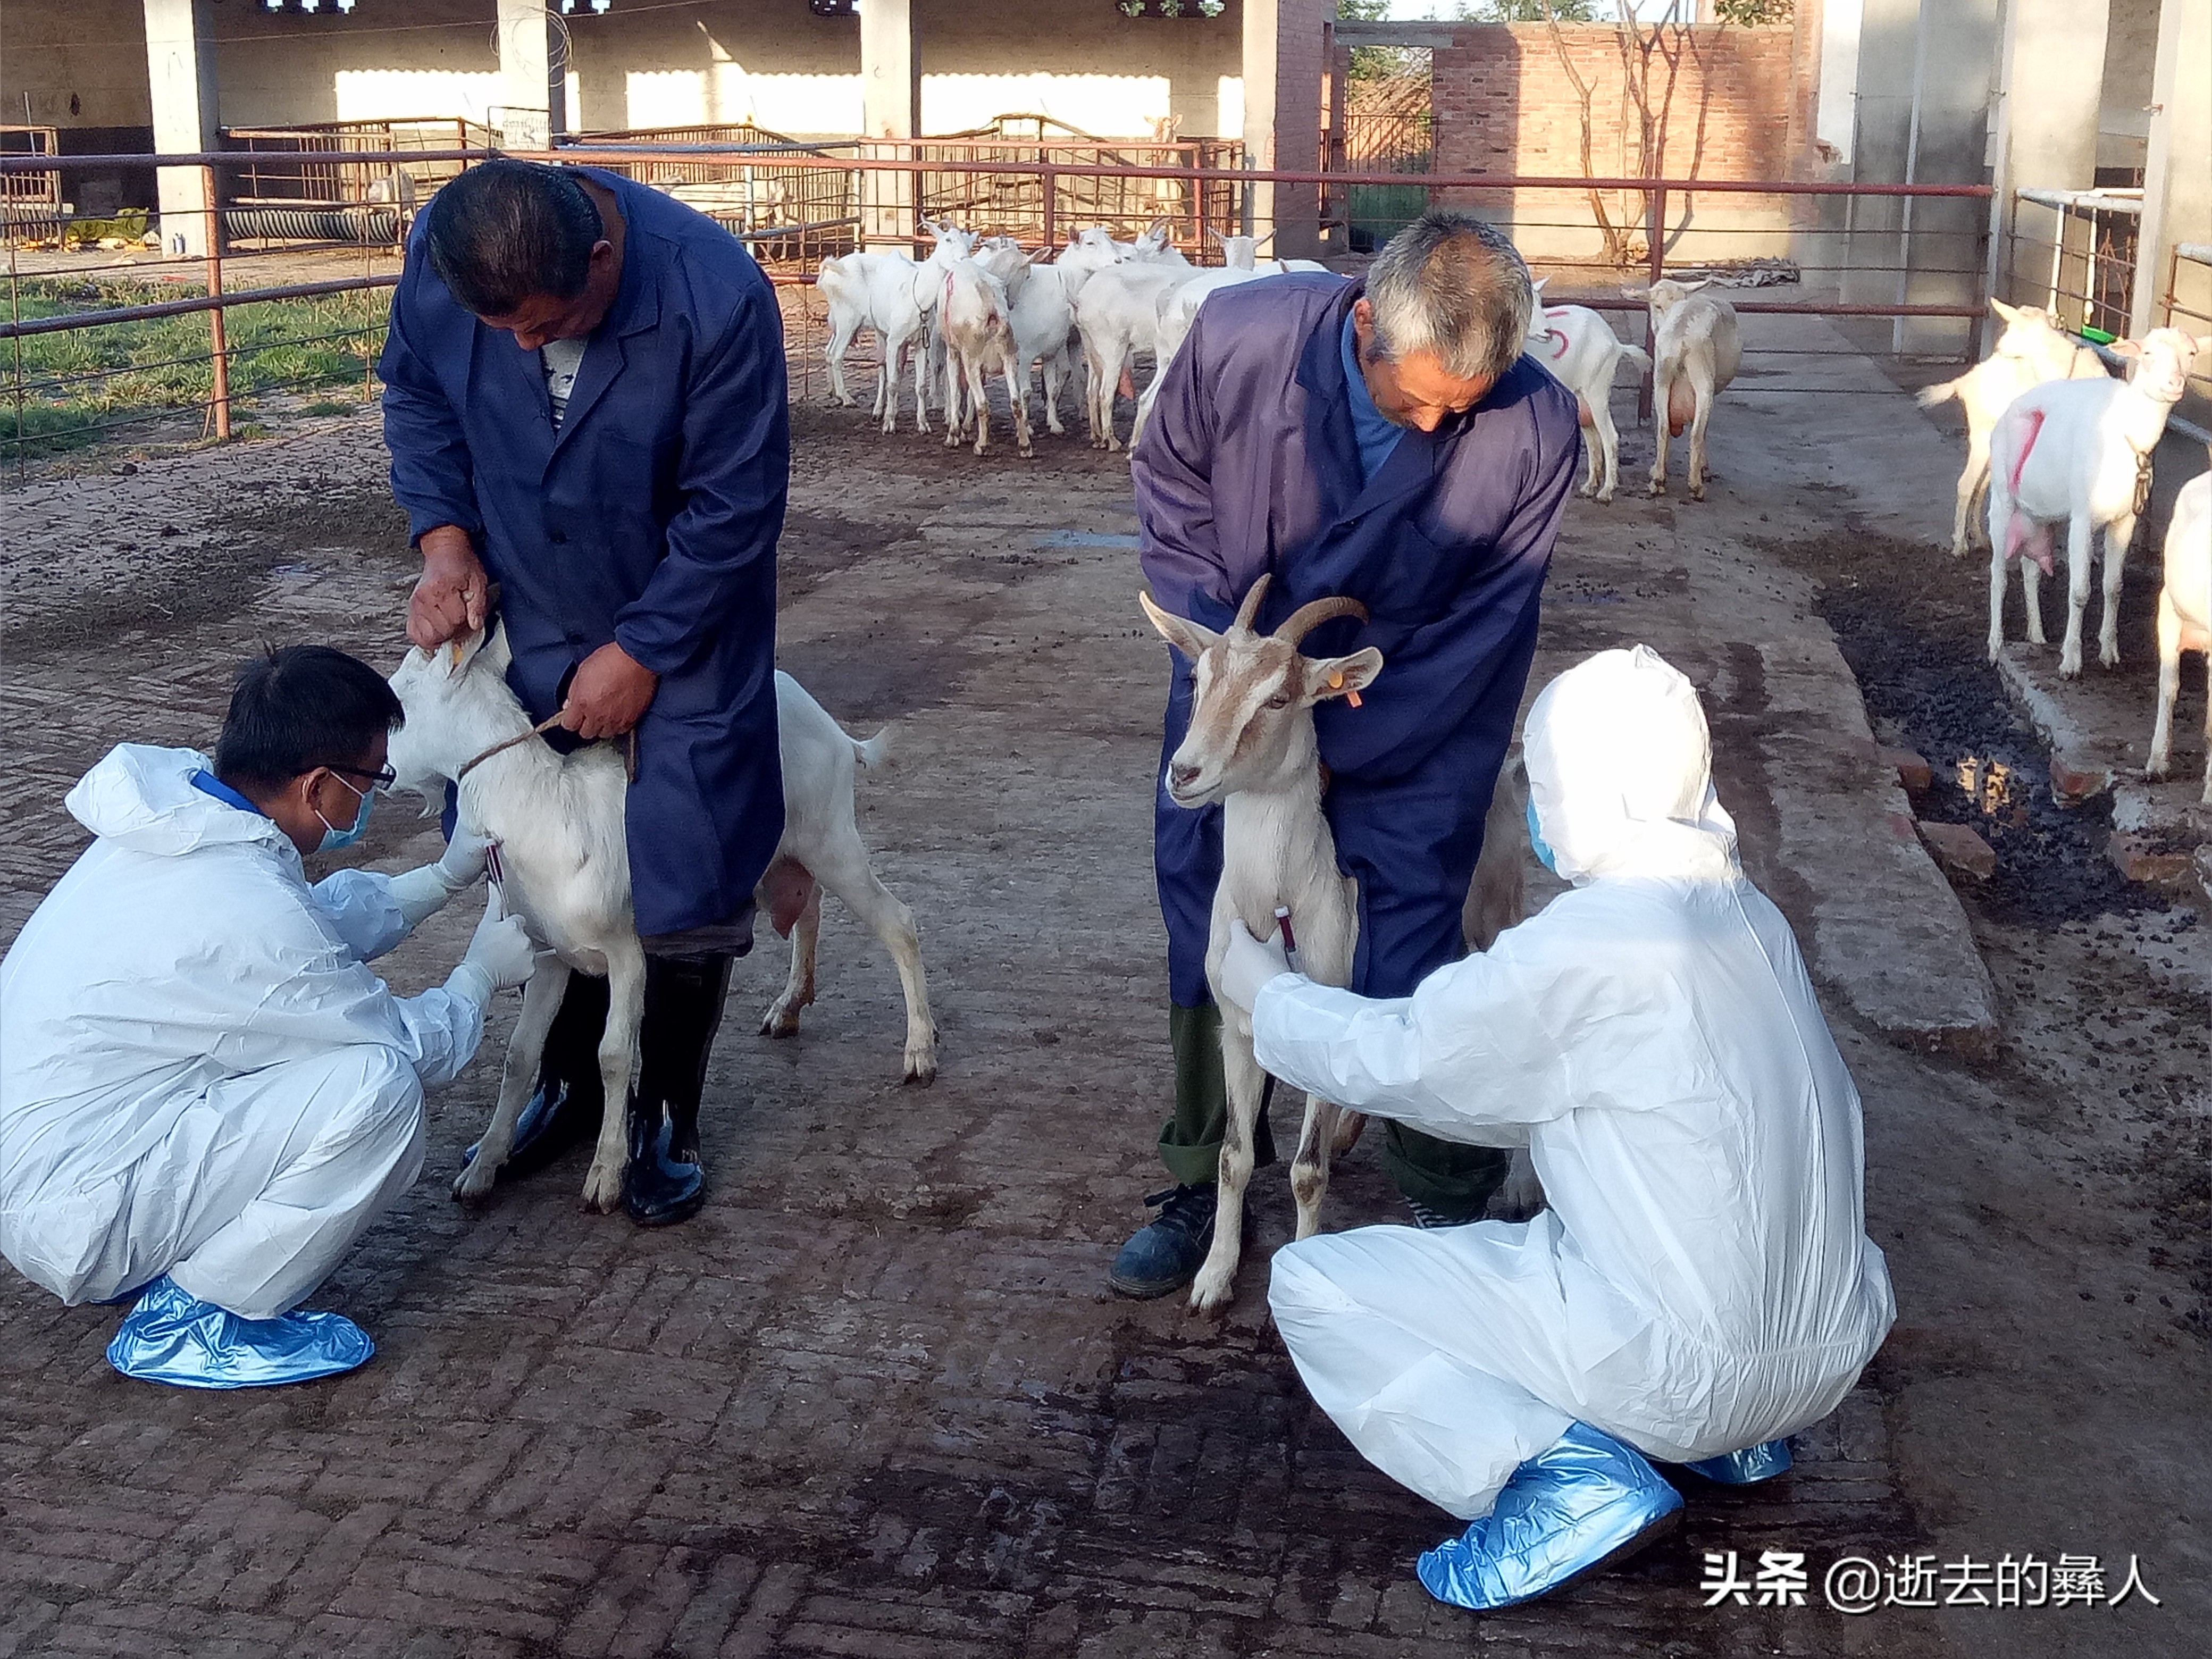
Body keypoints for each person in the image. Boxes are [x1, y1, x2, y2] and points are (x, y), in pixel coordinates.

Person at [1209, 646, 1897, 1611]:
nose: (1533, 806)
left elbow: (1416, 1057)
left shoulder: (1598, 946)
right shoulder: (1747, 914)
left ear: (1590, 793)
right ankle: (1737, 1444)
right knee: (1630, 1212)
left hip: (1685, 1369)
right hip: (1829, 1345)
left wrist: (1271, 997)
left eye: (1544, 778)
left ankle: (1563, 1478)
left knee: (1317, 1286)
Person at [1115, 209, 1582, 1296]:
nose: (1431, 422)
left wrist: (1337, 741)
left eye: (1454, 412)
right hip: (1249, 697)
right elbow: (1173, 490)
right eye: (1412, 395)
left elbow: (1488, 620)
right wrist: (1232, 667)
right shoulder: (1238, 339)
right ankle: (1205, 1168)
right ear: (1364, 319)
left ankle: (1438, 1179)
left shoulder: (1535, 426)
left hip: (1414, 709)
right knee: (1212, 907)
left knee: (1413, 912)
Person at [380, 157, 790, 1226]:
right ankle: (564, 1088)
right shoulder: (446, 252)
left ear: (602, 260)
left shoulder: (715, 295)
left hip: (686, 618)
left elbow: (733, 505)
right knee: (535, 849)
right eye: (500, 328)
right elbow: (419, 399)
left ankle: (664, 1115)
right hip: (528, 597)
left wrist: (647, 648)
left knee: (687, 856)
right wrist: (445, 541)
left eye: (545, 325)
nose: (522, 348)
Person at [0, 646, 538, 1389]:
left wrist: (441, 878)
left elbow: (300, 933)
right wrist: (478, 977)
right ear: (317, 785)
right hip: (88, 1211)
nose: (373, 799)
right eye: (372, 780)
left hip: (66, 1161)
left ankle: (175, 1257)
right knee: (378, 1090)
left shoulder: (184, 824)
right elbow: (409, 1046)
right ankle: (200, 1318)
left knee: (316, 1055)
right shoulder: (241, 904)